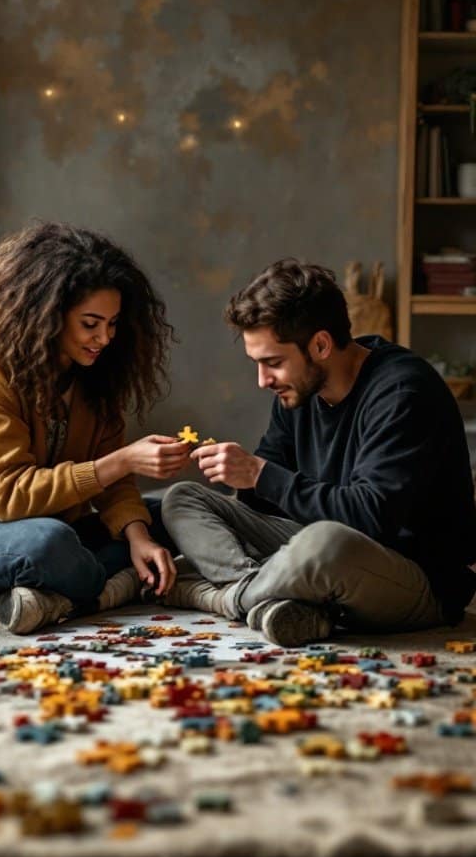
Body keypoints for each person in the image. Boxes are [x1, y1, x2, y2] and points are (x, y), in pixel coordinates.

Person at [160, 259, 476, 647]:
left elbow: (369, 519)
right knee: (181, 499)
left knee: (326, 544)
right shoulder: (298, 392)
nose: (263, 381)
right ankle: (269, 599)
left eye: (273, 363)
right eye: (257, 364)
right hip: (313, 550)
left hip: (411, 575)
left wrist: (260, 474)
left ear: (321, 345)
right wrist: (238, 477)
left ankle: (220, 596)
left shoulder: (403, 392)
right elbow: (268, 501)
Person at [0, 222, 191, 634]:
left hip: (50, 527)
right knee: (48, 544)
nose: (105, 338)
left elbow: (115, 486)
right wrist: (123, 460)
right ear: (49, 314)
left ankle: (46, 595)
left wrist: (138, 535)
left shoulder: (94, 377)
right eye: (90, 324)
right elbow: (12, 499)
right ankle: (105, 589)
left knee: (174, 511)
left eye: (112, 323)